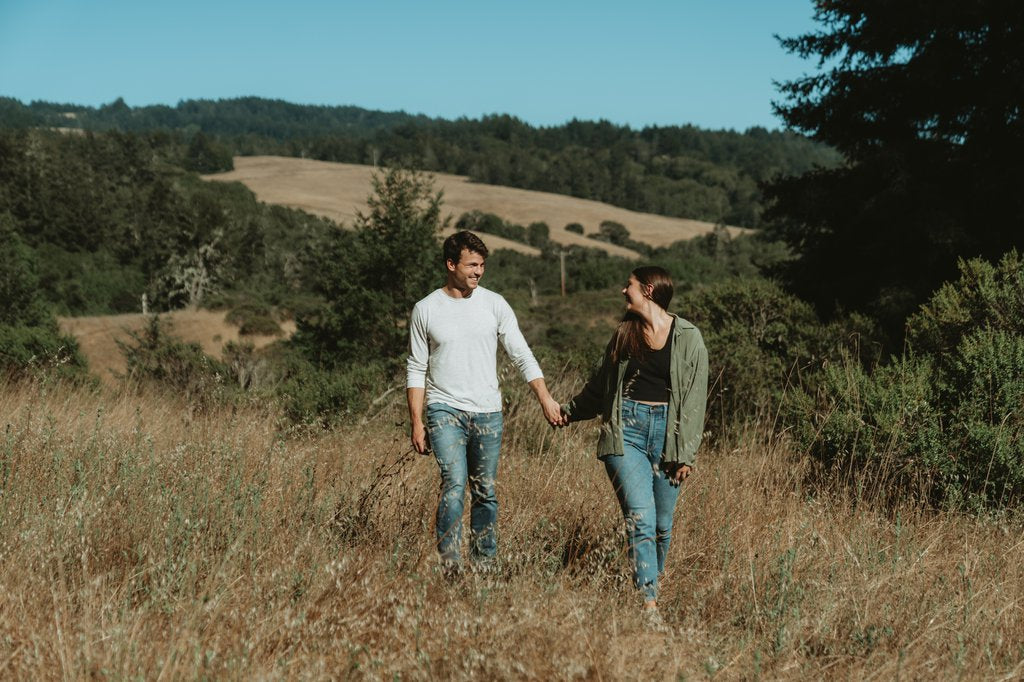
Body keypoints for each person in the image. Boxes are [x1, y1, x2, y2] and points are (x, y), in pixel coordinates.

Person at [407, 230, 563, 571]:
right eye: (472, 265)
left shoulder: (494, 304)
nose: (479, 271)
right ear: (451, 264)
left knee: (485, 491)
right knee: (454, 484)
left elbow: (521, 354)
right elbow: (416, 368)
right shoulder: (426, 309)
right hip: (443, 407)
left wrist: (545, 398)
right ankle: (449, 564)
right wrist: (417, 421)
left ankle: (484, 564)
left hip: (488, 413)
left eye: (482, 265)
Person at [560, 266, 708, 613]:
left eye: (629, 286)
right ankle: (648, 602)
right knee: (640, 516)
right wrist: (569, 412)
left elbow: (696, 398)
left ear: (649, 290)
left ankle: (651, 580)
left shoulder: (688, 337)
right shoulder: (623, 333)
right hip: (627, 430)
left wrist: (686, 453)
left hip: (669, 436)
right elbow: (599, 387)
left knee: (661, 525)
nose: (623, 291)